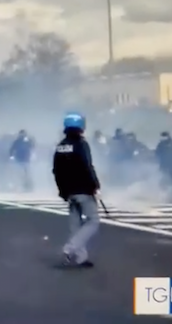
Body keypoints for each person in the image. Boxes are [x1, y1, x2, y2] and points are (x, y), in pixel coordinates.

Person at [52, 113, 101, 268]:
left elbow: (56, 170)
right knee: (93, 221)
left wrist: (62, 191)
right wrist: (95, 185)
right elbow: (87, 165)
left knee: (75, 224)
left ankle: (81, 257)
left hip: (69, 191)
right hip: (83, 189)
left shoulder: (61, 145)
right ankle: (70, 248)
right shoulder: (81, 144)